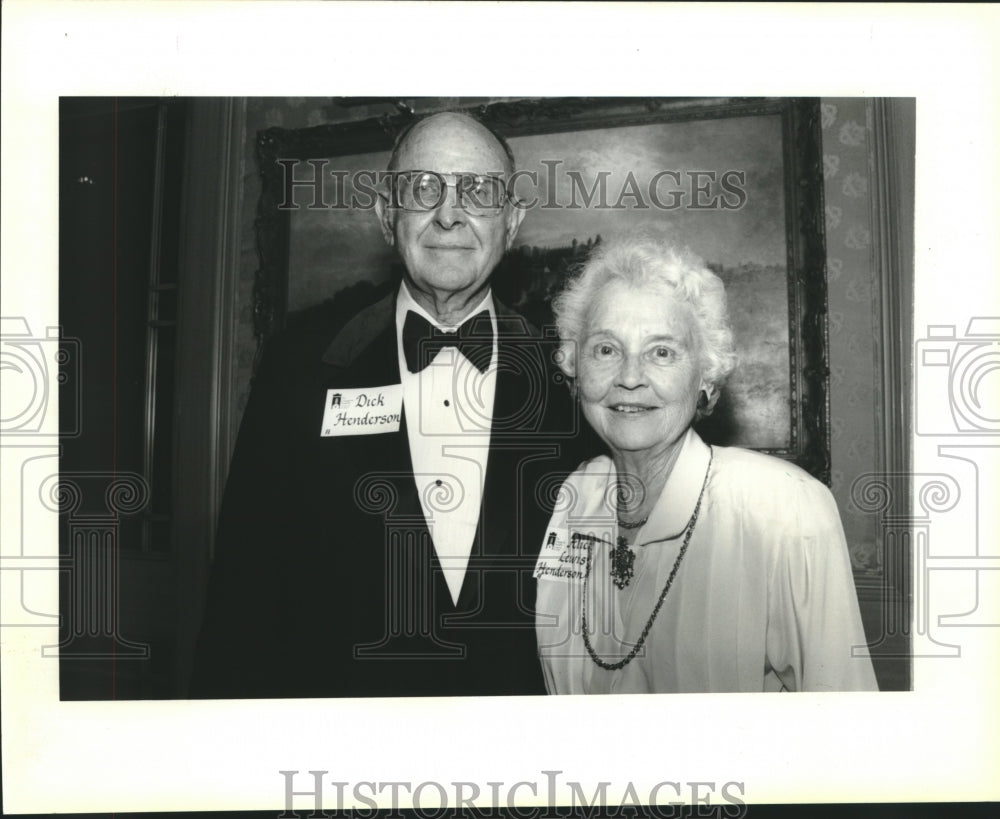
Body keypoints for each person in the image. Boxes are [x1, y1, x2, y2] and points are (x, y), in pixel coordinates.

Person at [191, 112, 584, 698]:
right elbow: (243, 590)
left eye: (477, 191)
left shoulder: (569, 374)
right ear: (386, 215)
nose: (448, 213)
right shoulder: (301, 365)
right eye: (422, 188)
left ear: (512, 220)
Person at [534, 233, 879, 693]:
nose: (630, 377)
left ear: (706, 375)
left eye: (662, 352)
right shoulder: (573, 498)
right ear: (575, 367)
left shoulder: (784, 509)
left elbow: (845, 728)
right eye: (606, 349)